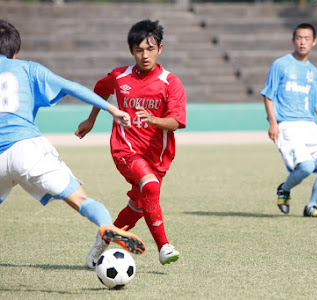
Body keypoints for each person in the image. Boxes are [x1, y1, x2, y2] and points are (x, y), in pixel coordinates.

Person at [0, 20, 146, 259]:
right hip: (27, 149)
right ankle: (106, 225)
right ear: (15, 52)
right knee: (79, 199)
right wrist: (111, 110)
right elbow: (71, 87)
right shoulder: (27, 69)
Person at [76, 19, 186, 266]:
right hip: (125, 149)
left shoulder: (171, 83)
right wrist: (91, 119)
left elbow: (177, 121)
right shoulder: (120, 76)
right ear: (131, 51)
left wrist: (155, 120)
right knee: (150, 188)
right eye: (139, 50)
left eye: (150, 49)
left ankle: (102, 242)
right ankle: (164, 246)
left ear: (160, 49)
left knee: (138, 205)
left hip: (157, 156)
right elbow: (100, 91)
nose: (145, 55)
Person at [260, 23, 317, 218]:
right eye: (299, 38)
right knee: (305, 166)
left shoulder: (312, 71)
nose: (302, 42)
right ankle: (284, 189)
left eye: (307, 38)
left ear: (314, 42)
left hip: (309, 125)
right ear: (293, 40)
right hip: (287, 124)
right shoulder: (281, 64)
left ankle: (312, 206)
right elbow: (268, 95)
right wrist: (273, 123)